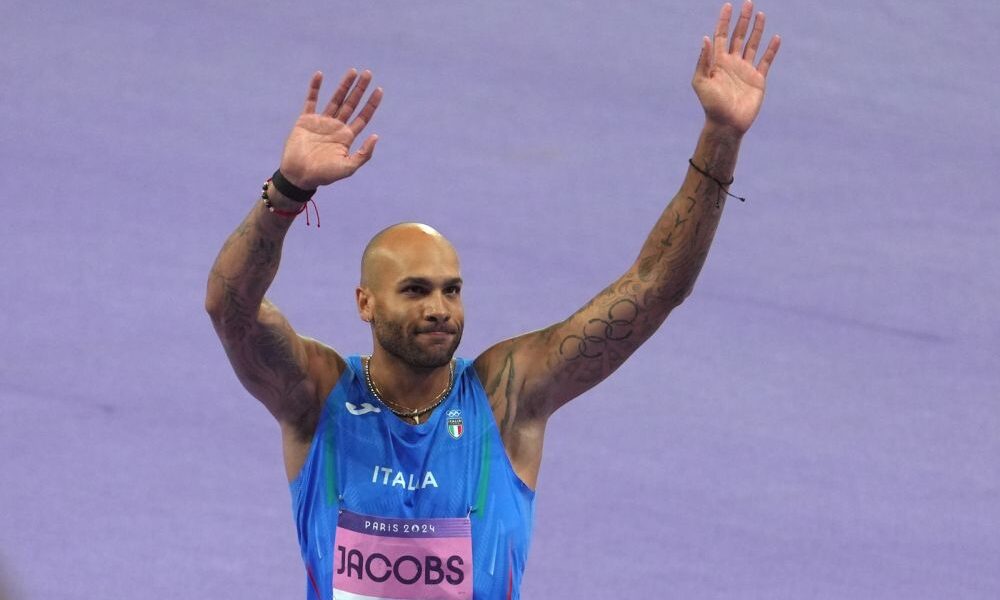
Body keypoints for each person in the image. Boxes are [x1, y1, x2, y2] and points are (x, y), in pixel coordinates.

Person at [205, 2, 780, 598]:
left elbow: (655, 287)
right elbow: (230, 308)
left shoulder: (507, 398)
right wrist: (288, 191)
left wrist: (721, 136)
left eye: (451, 290)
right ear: (365, 303)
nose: (439, 308)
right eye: (415, 290)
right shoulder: (317, 396)